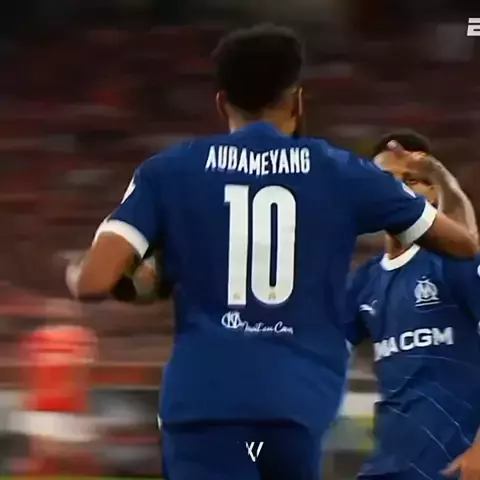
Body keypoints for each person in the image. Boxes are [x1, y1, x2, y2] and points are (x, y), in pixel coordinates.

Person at [67, 26, 476, 480]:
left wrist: (88, 274)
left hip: (204, 397)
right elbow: (464, 243)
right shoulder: (344, 172)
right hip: (298, 402)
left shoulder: (167, 171)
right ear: (297, 102)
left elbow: (95, 283)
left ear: (221, 102)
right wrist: (437, 175)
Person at [346, 130, 480, 480]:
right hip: (387, 466)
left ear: (434, 192)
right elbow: (319, 349)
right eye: (386, 181)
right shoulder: (363, 282)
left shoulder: (455, 264)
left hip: (454, 466)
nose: (399, 190)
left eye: (413, 180)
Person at [12, 302, 98, 477]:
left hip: (71, 409)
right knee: (44, 458)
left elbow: (85, 364)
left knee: (76, 459)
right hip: (43, 407)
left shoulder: (81, 335)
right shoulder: (40, 336)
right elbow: (29, 369)